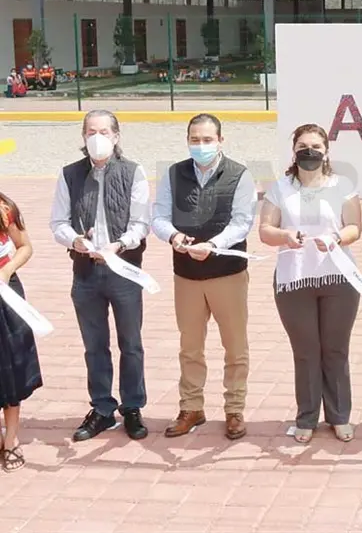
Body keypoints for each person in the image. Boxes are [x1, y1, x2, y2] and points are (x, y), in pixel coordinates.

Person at [151, 113, 257, 441]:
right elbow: (159, 217)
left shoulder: (240, 175)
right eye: (195, 139)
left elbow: (242, 222)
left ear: (220, 141)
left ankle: (234, 409)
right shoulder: (173, 173)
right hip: (186, 276)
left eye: (207, 139)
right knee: (190, 346)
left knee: (235, 346)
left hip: (227, 273)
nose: (201, 145)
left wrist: (213, 245)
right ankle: (192, 407)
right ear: (187, 141)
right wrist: (174, 237)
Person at [49, 109, 151, 442]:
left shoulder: (133, 172)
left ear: (117, 136)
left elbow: (140, 224)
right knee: (94, 345)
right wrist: (76, 240)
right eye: (91, 131)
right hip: (86, 272)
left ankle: (132, 406)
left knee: (131, 344)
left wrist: (119, 245)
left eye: (104, 131)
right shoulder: (70, 175)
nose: (98, 137)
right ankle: (103, 409)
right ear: (83, 137)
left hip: (123, 270)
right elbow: (58, 223)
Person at [259, 123, 362, 444]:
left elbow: (355, 228)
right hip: (294, 280)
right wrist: (285, 236)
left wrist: (335, 237)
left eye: (316, 146)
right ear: (294, 150)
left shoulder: (342, 185)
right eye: (303, 145)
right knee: (306, 351)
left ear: (326, 151)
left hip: (338, 278)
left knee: (335, 349)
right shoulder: (280, 188)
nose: (310, 151)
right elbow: (265, 230)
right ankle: (307, 416)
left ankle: (339, 416)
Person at [0, 191, 39, 471]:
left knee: (11, 367)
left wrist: (8, 269)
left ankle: (11, 439)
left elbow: (24, 246)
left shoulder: (4, 209)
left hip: (5, 293)